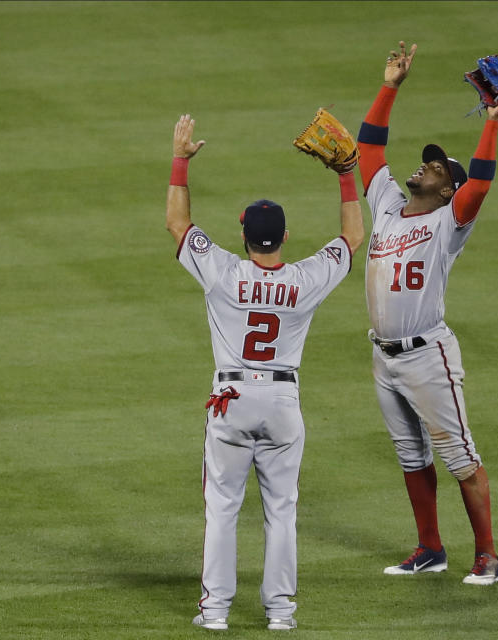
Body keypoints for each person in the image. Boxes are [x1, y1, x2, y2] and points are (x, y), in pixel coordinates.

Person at [167, 114, 364, 630]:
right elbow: (352, 236)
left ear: (244, 236)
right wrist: (348, 172)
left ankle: (214, 614)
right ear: (285, 238)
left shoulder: (224, 272)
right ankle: (280, 614)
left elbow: (178, 226)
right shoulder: (304, 280)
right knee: (283, 513)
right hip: (282, 406)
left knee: (223, 509)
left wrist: (181, 162)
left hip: (230, 403)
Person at [356, 41, 498, 585]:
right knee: (409, 455)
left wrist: (491, 122)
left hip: (427, 356)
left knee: (460, 457)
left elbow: (483, 182)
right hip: (383, 356)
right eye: (429, 161)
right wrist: (390, 86)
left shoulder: (449, 225)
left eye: (438, 166)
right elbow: (368, 149)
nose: (427, 164)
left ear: (450, 190)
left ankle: (487, 555)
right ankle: (429, 548)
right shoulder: (388, 207)